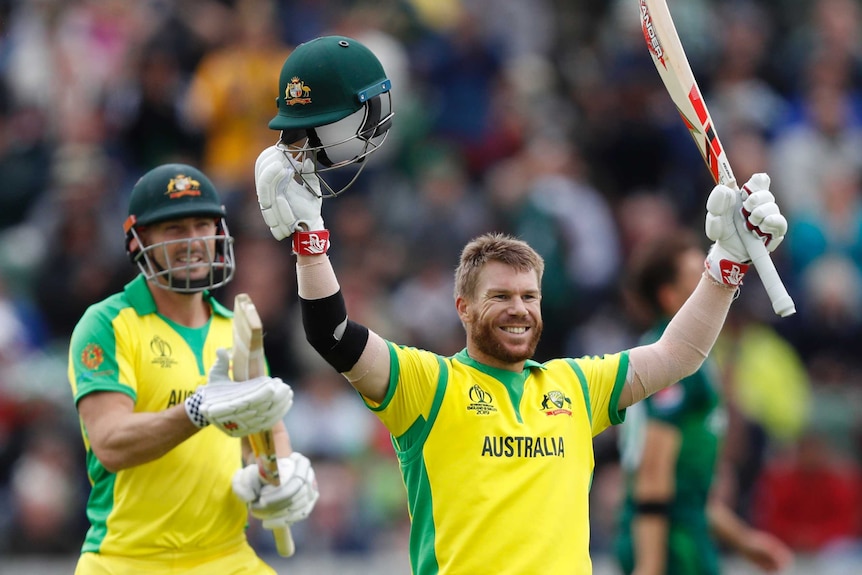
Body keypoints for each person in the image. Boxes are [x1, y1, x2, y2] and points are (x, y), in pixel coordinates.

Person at [254, 34, 789, 575]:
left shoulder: (574, 387)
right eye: (502, 297)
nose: (519, 309)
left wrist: (726, 262)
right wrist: (309, 238)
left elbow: (680, 354)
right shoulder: (428, 385)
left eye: (529, 296)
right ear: (462, 307)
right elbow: (333, 335)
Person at [67, 163, 319, 574]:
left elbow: (265, 430)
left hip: (226, 556)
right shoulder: (108, 324)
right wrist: (196, 412)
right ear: (139, 240)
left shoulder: (236, 328)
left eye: (203, 225)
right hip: (126, 560)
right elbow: (110, 443)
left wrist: (282, 474)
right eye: (174, 229)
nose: (194, 241)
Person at [615, 231, 793, 575]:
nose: (713, 281)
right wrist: (649, 565)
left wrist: (743, 541)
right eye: (700, 276)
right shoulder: (674, 363)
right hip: (670, 542)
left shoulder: (678, 356)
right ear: (669, 297)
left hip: (679, 530)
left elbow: (688, 490)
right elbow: (654, 471)